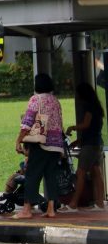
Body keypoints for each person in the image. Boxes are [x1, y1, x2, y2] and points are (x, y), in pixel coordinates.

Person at [13, 73, 65, 219]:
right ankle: (51, 209)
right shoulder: (56, 101)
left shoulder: (36, 99)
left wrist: (19, 140)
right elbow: (60, 123)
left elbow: (28, 121)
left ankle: (27, 209)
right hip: (56, 145)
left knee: (31, 175)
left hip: (41, 143)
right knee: (50, 176)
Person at [65, 82, 106, 211]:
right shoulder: (97, 108)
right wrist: (78, 141)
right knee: (97, 173)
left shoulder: (89, 107)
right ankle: (100, 203)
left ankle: (73, 204)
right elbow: (92, 129)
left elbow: (86, 125)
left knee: (80, 173)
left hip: (90, 146)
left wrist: (72, 127)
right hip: (97, 143)